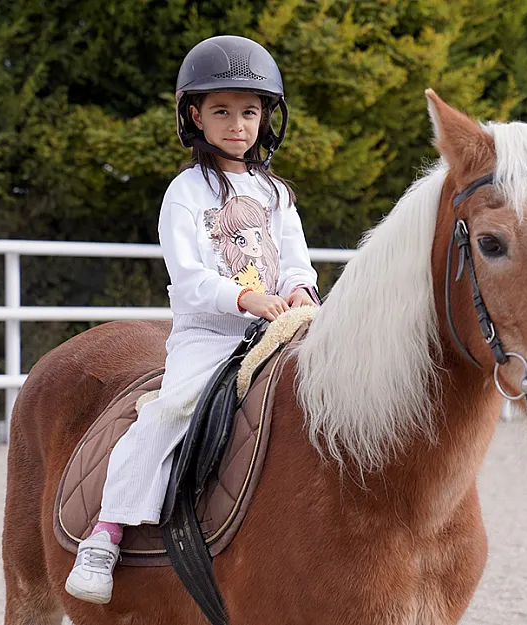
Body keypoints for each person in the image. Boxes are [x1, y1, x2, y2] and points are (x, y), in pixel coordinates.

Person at [65, 35, 320, 604]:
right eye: (222, 111)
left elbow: (297, 260)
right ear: (195, 117)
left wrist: (301, 290)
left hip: (276, 328)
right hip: (210, 335)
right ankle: (105, 532)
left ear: (266, 120)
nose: (237, 124)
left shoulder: (276, 194)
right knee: (171, 410)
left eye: (249, 112)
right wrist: (246, 299)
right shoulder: (185, 192)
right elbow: (188, 278)